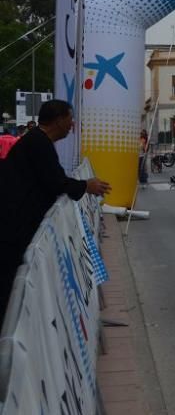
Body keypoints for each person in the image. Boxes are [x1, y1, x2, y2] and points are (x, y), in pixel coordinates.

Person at [0, 100, 111, 321]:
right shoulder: (38, 143)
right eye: (70, 120)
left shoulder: (38, 142)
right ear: (59, 120)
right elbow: (56, 182)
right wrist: (86, 186)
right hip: (13, 225)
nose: (72, 126)